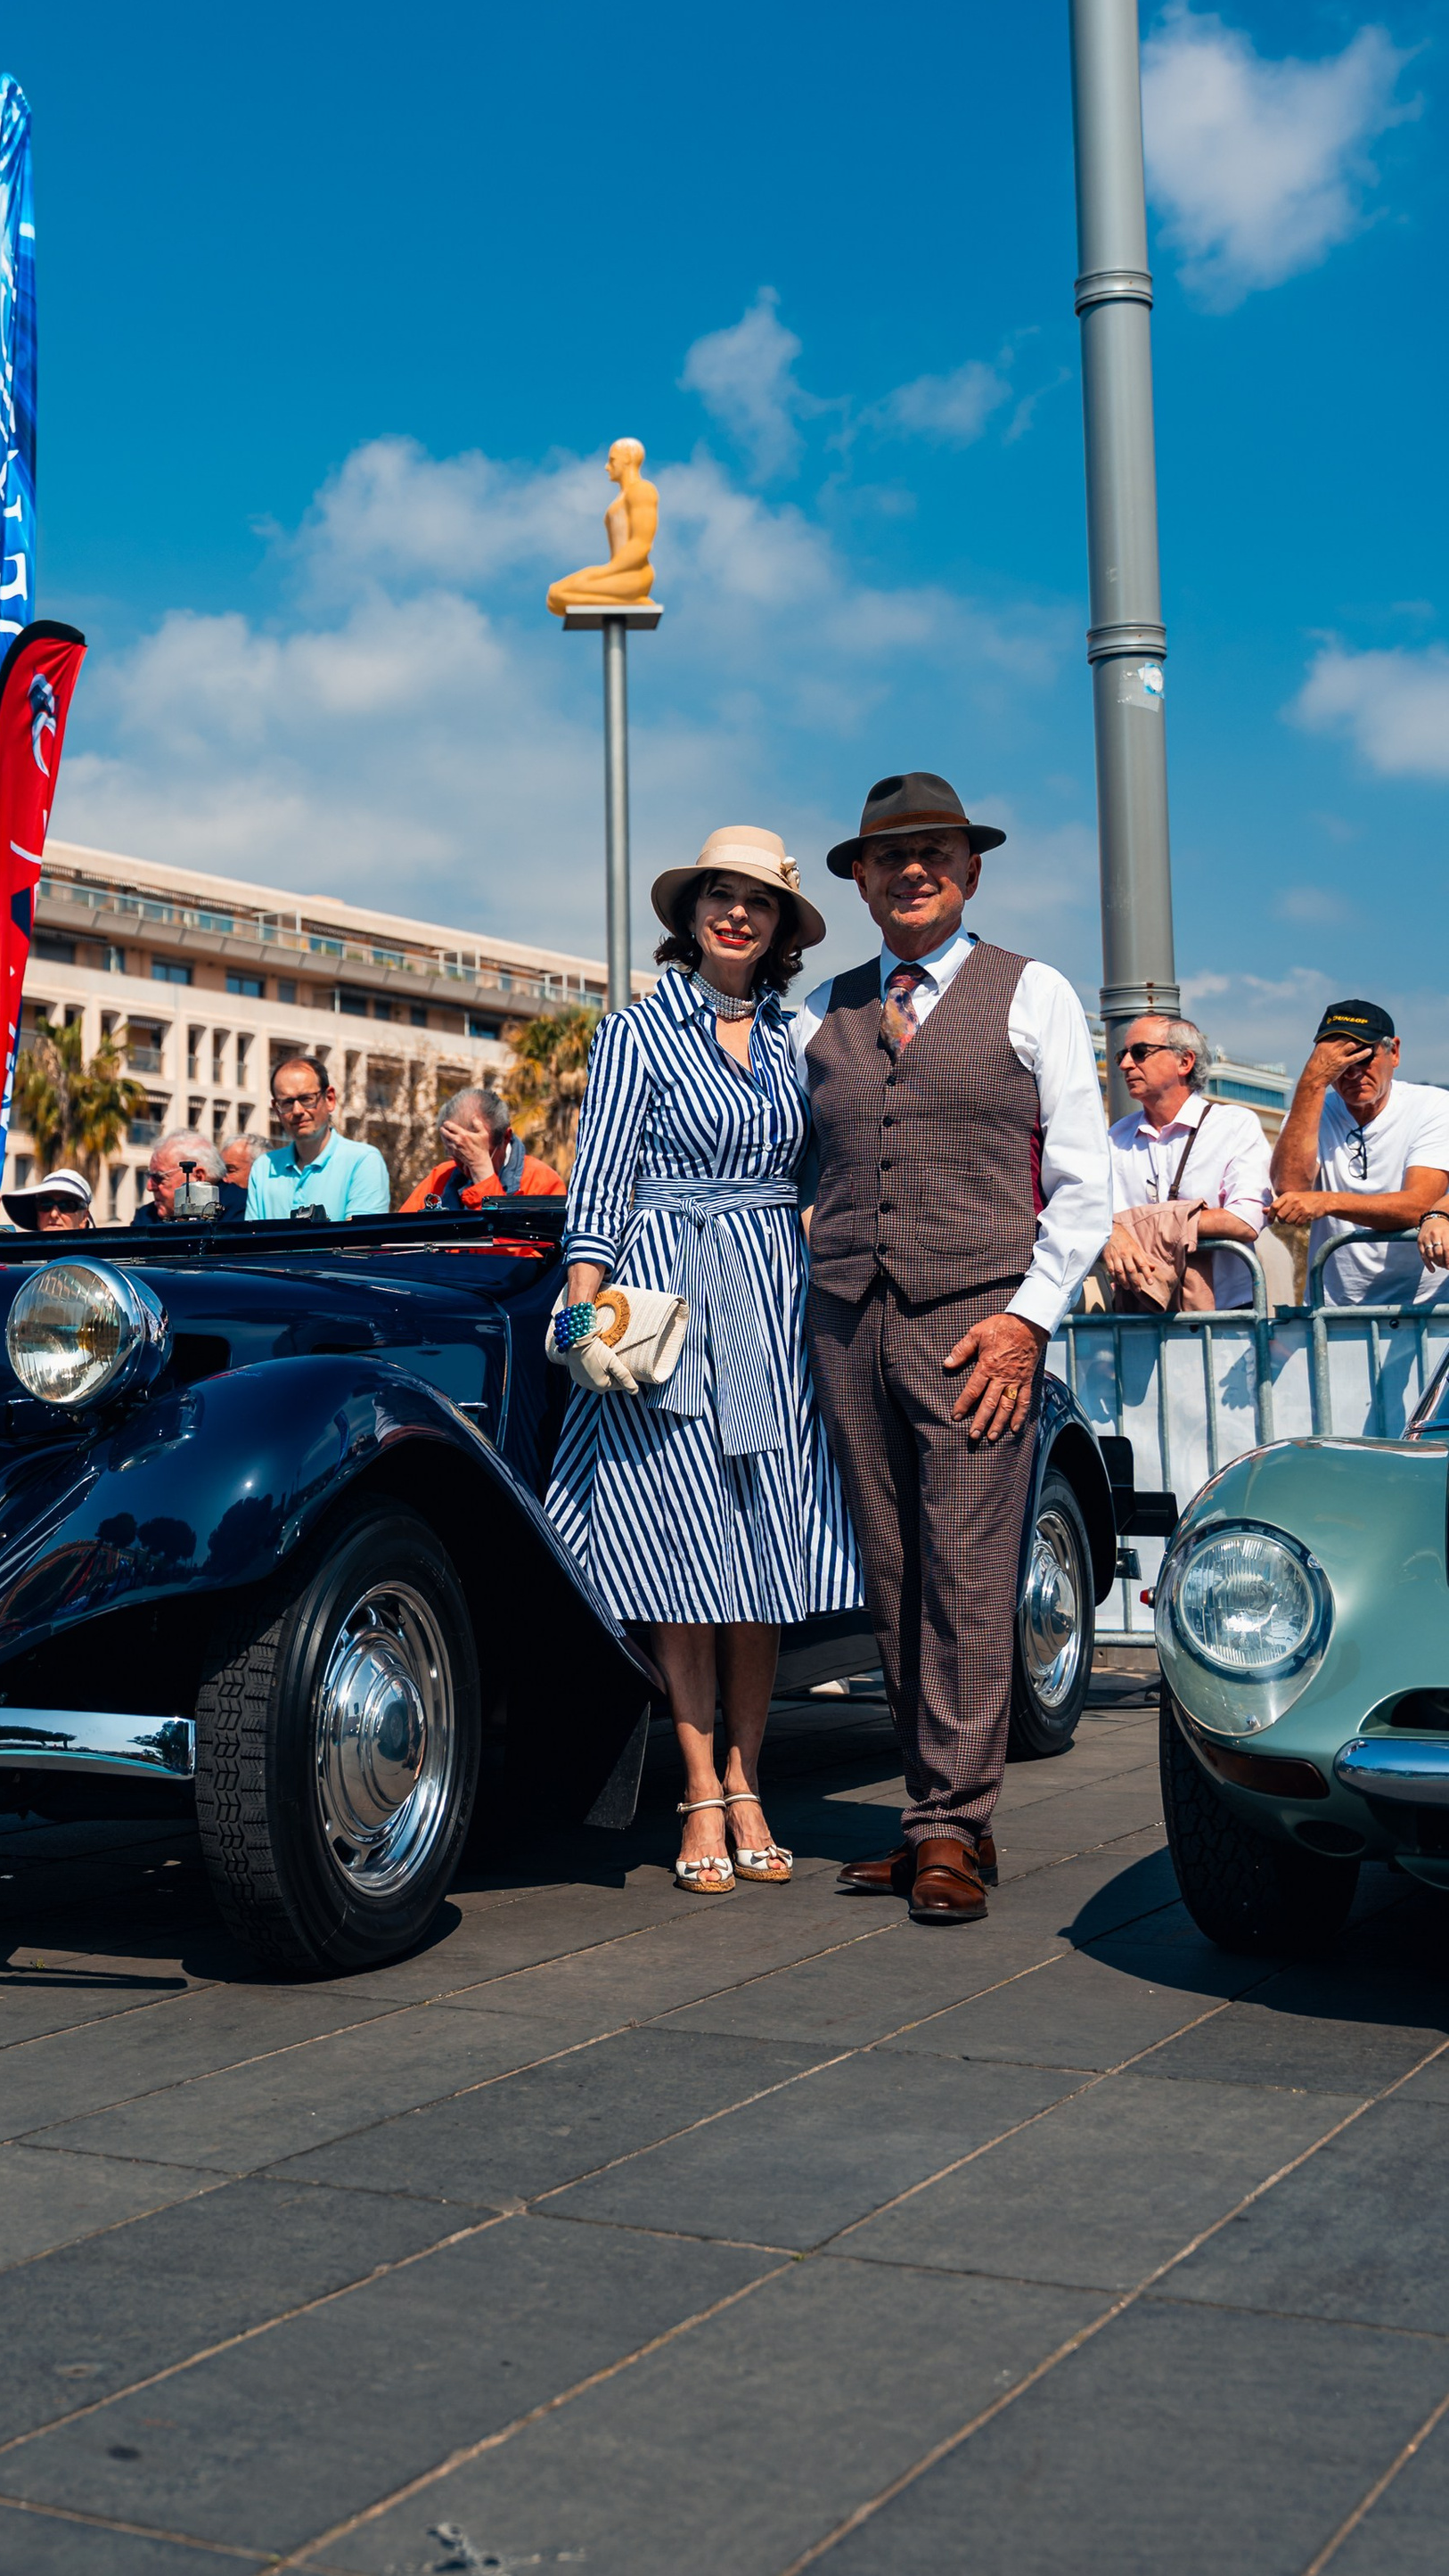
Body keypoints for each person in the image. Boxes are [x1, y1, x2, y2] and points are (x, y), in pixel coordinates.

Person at [793, 772, 1110, 1926]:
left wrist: (1028, 1319)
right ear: (862, 882)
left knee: (969, 1572)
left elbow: (1085, 1181)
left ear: (970, 871)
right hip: (847, 1320)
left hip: (977, 1321)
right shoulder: (820, 1012)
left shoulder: (1034, 992)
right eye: (890, 856)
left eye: (934, 852)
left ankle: (950, 1827)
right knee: (893, 1575)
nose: (912, 870)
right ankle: (936, 1814)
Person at [547, 825, 856, 1896]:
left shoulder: (796, 1040)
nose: (736, 913)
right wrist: (581, 1318)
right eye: (719, 895)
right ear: (689, 913)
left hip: (769, 1297)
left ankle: (748, 1778)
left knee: (759, 1559)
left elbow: (822, 1181)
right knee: (680, 1555)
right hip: (666, 1299)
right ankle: (695, 1788)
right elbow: (599, 1181)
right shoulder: (634, 1030)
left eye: (757, 901)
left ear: (779, 928)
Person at [1271, 1001, 1449, 1309]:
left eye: (1363, 1057)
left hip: (1424, 1308)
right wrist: (1312, 1082)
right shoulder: (1309, 1109)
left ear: (1394, 1052)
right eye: (1338, 1062)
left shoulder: (1433, 1106)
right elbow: (1290, 1188)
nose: (1352, 1072)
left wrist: (1326, 1201)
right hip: (1335, 1310)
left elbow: (1418, 1205)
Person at [1102, 1017, 1273, 1312]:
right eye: (1122, 1055)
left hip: (1225, 1317)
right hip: (1140, 1315)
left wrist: (1138, 1225)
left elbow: (1245, 1220)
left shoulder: (1234, 1125)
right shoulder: (1115, 1137)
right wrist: (1110, 1232)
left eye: (1140, 1052)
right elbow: (1093, 1215)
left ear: (1185, 1062)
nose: (1126, 1065)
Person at [244, 1059, 390, 1223]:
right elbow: (253, 1237)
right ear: (276, 1109)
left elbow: (359, 1235)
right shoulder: (263, 1167)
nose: (297, 1110)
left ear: (330, 1099)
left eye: (306, 1099)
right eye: (287, 1102)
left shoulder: (363, 1161)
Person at [403, 1087, 565, 1212]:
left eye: (476, 1152)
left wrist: (483, 1173)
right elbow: (398, 1237)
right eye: (460, 1155)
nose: (468, 1167)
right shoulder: (441, 1177)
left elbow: (516, 1245)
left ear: (505, 1138)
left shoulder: (542, 1183)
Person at [141, 1132, 236, 1220]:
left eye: (158, 1178)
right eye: (149, 1176)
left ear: (198, 1177)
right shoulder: (147, 1215)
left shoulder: (239, 1212)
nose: (149, 1187)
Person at [3, 1164, 99, 1235]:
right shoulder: (17, 1256)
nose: (54, 1214)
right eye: (45, 1204)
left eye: (67, 1206)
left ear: (84, 1218)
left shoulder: (100, 1256)